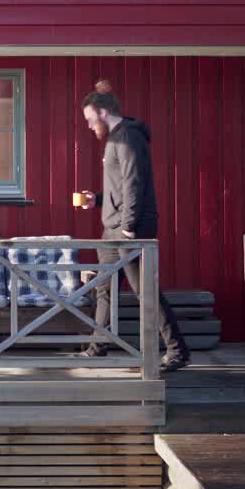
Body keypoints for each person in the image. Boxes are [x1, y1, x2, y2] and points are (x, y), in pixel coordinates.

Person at [77, 80, 190, 373]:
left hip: (129, 229)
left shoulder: (127, 137)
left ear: (102, 113)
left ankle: (177, 351)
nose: (89, 127)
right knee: (105, 289)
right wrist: (98, 199)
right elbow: (120, 189)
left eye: (90, 120)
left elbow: (133, 182)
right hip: (113, 228)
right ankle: (97, 347)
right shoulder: (116, 139)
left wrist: (128, 225)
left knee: (146, 291)